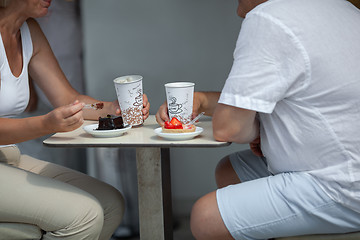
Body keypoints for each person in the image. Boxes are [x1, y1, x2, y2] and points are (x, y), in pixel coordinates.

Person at [156, 0, 360, 239]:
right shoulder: (341, 7)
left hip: (343, 184)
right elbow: (279, 98)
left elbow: (229, 129)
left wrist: (256, 130)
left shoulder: (268, 17)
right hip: (338, 159)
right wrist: (201, 100)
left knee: (206, 216)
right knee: (230, 170)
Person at [0, 1, 150, 240]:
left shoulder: (29, 31)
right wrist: (46, 124)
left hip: (7, 156)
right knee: (85, 216)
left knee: (110, 204)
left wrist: (112, 108)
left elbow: (68, 98)